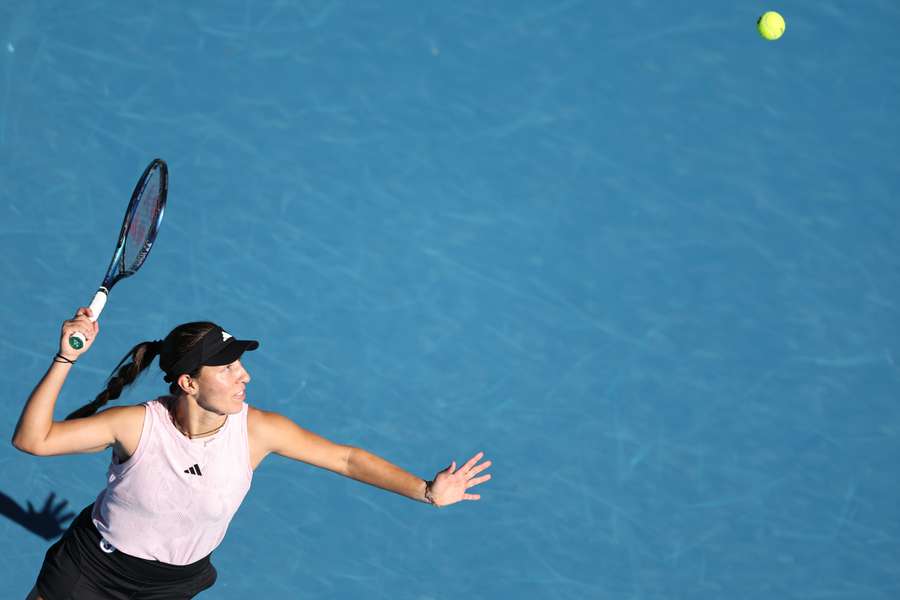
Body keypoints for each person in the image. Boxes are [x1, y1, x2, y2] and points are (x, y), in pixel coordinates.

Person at [13, 308, 492, 599]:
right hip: (92, 568)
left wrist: (426, 491)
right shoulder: (137, 425)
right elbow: (34, 441)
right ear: (188, 383)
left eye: (240, 364)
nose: (244, 376)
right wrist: (66, 358)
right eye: (227, 369)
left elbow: (345, 458)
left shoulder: (259, 431)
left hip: (173, 585)